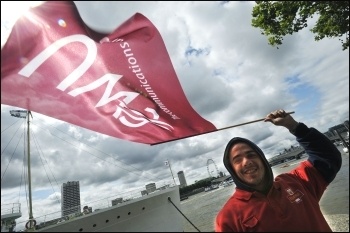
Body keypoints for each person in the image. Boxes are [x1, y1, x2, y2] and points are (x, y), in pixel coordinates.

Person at [215, 109, 342, 232]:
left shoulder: (297, 181)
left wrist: (293, 126)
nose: (247, 162)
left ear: (263, 161)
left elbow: (328, 158)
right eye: (237, 159)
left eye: (251, 155)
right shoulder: (227, 218)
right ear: (232, 170)